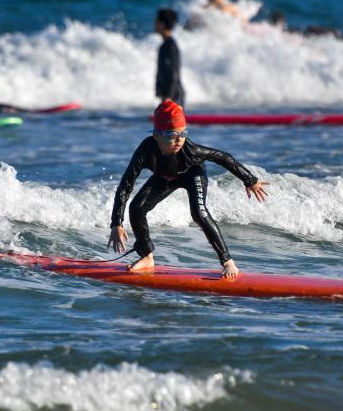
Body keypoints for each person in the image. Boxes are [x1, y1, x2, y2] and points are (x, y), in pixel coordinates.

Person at [107, 100, 269, 278]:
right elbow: (126, 184)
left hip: (193, 173)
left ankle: (228, 261)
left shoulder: (191, 151)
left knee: (198, 212)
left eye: (182, 133)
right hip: (164, 177)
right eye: (171, 135)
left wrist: (250, 180)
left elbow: (224, 157)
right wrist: (117, 223)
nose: (178, 140)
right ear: (156, 135)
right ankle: (147, 257)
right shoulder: (145, 151)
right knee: (136, 208)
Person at [155, 9, 185, 107]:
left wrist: (169, 96)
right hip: (169, 95)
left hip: (174, 96)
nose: (154, 24)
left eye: (156, 21)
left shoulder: (170, 46)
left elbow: (174, 73)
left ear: (162, 24)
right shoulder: (164, 45)